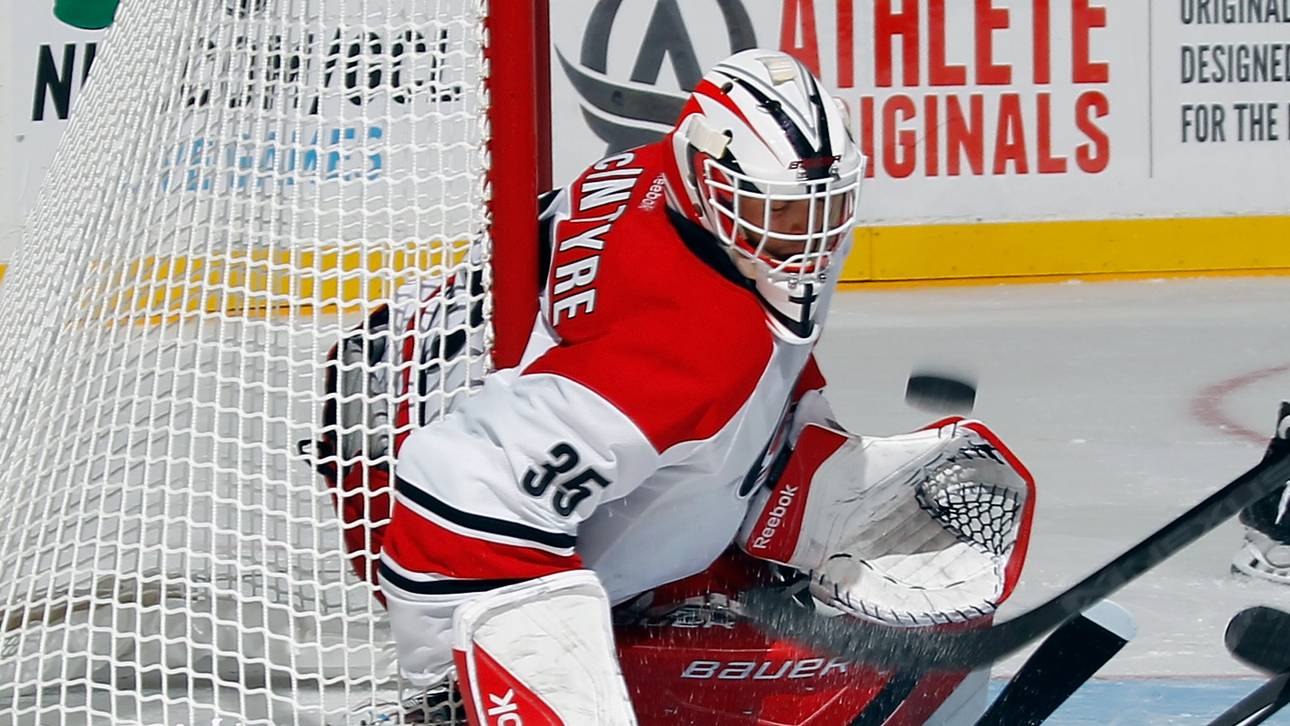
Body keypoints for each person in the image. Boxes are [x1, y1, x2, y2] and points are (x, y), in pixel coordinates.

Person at [312, 48, 1035, 724]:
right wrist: (471, 684)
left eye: (826, 207)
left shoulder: (666, 181)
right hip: (411, 500)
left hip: (410, 385)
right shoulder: (693, 345)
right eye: (782, 214)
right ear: (708, 178)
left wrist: (813, 469)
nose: (808, 238)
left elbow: (737, 380)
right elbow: (459, 484)